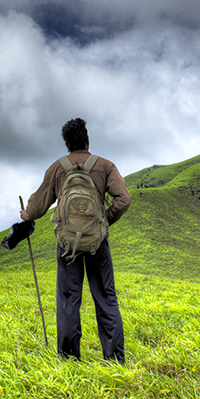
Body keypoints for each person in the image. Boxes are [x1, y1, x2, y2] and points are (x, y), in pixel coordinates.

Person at [20, 118, 132, 364]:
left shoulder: (57, 168)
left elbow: (39, 206)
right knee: (106, 297)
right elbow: (124, 199)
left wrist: (26, 214)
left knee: (69, 300)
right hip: (97, 242)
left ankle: (69, 359)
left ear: (67, 144)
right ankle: (115, 360)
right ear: (87, 140)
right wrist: (103, 222)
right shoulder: (105, 166)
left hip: (67, 244)